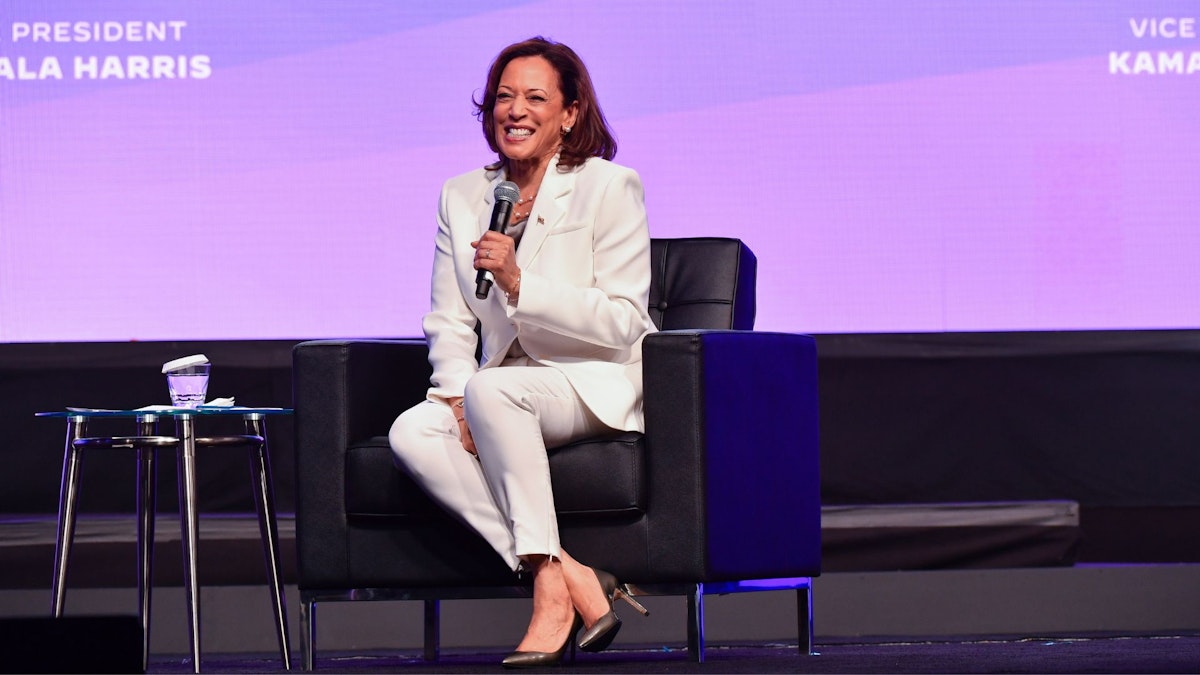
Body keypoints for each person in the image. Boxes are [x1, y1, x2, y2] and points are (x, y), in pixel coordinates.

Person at [388, 36, 654, 668]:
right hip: (498, 387)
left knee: (492, 390)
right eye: (504, 97)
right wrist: (453, 395)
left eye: (536, 97)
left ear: (569, 112)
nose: (516, 110)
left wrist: (517, 283)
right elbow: (449, 319)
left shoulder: (608, 186)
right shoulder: (463, 194)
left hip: (590, 382)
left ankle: (548, 598)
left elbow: (624, 322)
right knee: (413, 430)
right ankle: (562, 571)